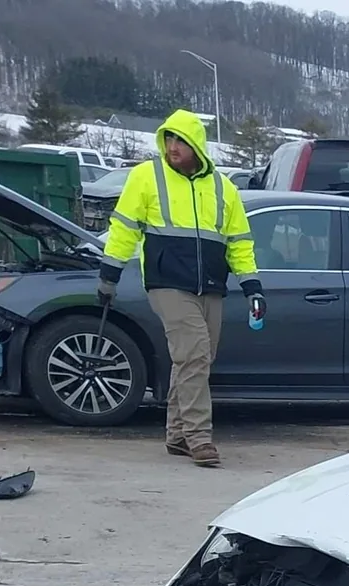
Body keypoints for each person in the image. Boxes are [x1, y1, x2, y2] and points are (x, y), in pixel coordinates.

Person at [97, 110, 263, 468]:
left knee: (194, 359)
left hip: (211, 285)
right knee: (195, 354)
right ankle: (199, 437)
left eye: (181, 141)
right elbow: (124, 228)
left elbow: (239, 241)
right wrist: (109, 275)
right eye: (168, 139)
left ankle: (177, 435)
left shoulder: (223, 187)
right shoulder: (147, 176)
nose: (173, 146)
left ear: (197, 146)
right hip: (167, 283)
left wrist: (252, 286)